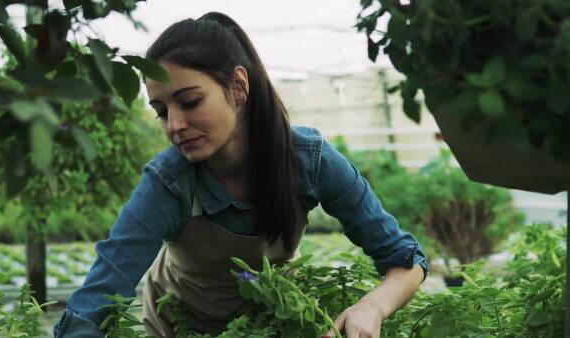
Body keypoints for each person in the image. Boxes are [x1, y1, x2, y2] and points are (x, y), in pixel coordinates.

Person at [53, 12, 428, 338]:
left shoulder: (310, 162)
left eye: (189, 101)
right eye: (161, 111)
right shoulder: (169, 182)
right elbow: (99, 295)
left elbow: (406, 259)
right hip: (177, 327)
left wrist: (372, 307)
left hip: (272, 322)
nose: (174, 125)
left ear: (238, 87)